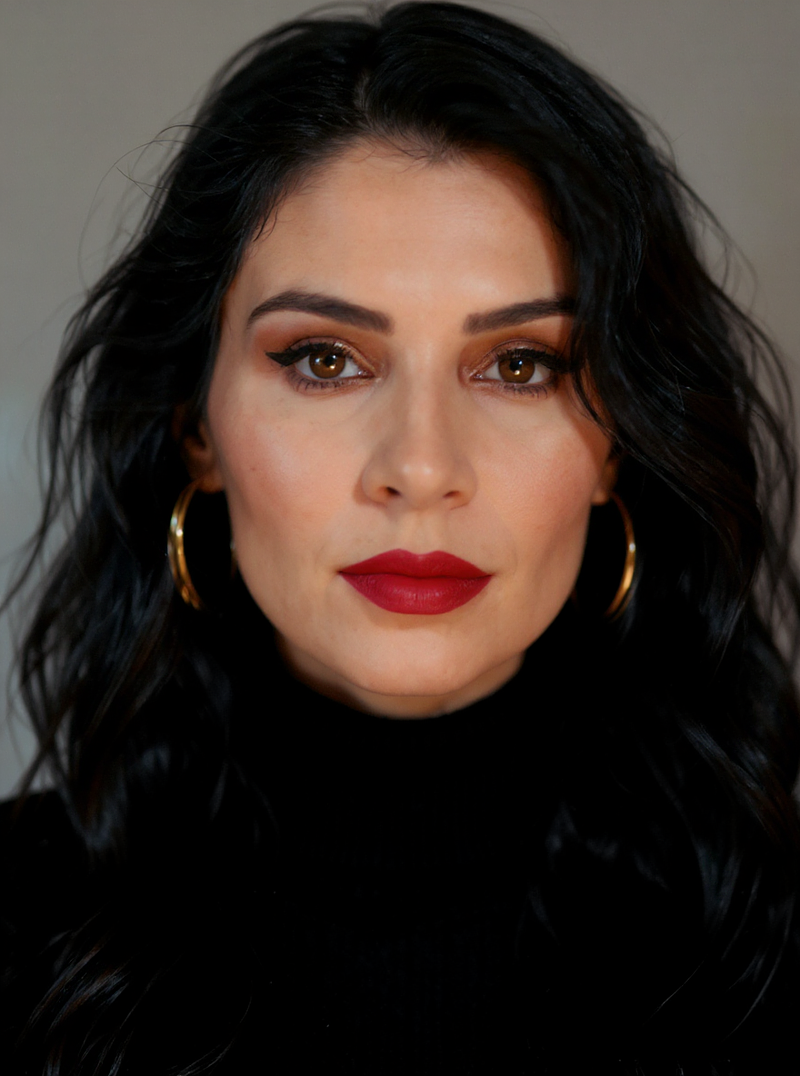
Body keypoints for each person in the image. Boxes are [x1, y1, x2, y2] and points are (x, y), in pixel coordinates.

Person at [2, 2, 799, 1073]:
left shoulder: (769, 938)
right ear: (195, 428)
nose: (420, 469)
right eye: (325, 360)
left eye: (519, 365)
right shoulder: (17, 931)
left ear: (620, 443)